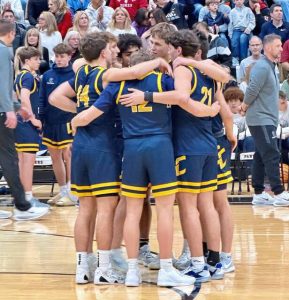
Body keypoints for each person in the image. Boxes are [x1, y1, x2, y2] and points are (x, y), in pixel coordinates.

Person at [69, 48, 221, 287]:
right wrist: (212, 110)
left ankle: (131, 272)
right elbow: (183, 97)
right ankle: (167, 269)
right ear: (152, 64)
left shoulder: (118, 85)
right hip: (160, 146)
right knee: (164, 210)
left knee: (132, 211)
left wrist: (76, 120)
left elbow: (91, 112)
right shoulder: (163, 79)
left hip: (131, 148)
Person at [49, 32, 176, 285]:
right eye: (112, 48)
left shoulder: (81, 73)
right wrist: (158, 62)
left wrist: (80, 112)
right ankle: (105, 267)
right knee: (106, 210)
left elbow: (54, 98)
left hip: (81, 146)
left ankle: (82, 267)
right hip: (102, 146)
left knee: (85, 210)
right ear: (104, 53)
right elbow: (134, 73)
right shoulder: (103, 75)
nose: (116, 51)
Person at [0, 20, 49, 221]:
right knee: (11, 159)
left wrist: (20, 109)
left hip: (8, 110)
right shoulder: (4, 51)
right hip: (2, 113)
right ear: (12, 33)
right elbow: (3, 87)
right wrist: (11, 111)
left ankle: (23, 202)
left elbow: (10, 91)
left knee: (9, 160)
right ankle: (22, 205)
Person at [240, 34, 289, 206]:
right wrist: (244, 106)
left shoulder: (271, 66)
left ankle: (259, 194)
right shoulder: (262, 66)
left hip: (267, 118)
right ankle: (278, 192)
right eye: (278, 45)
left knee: (261, 156)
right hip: (260, 119)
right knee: (272, 153)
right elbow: (252, 88)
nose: (281, 48)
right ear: (268, 48)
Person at [39, 43, 76, 206]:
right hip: (51, 121)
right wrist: (41, 119)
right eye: (57, 56)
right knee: (55, 156)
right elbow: (42, 98)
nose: (59, 59)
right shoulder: (47, 75)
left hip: (68, 120)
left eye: (62, 56)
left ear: (69, 56)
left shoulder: (75, 74)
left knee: (68, 155)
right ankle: (62, 191)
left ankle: (72, 192)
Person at [14, 46, 50, 211]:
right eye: (36, 59)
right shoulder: (27, 76)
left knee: (23, 162)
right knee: (28, 162)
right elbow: (24, 98)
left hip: (19, 123)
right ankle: (27, 198)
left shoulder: (20, 76)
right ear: (27, 61)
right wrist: (33, 119)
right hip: (26, 123)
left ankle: (23, 197)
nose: (39, 62)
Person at [228, 0, 256, 66]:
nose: (239, 1)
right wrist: (230, 34)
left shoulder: (248, 10)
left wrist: (249, 28)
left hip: (246, 30)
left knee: (243, 38)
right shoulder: (232, 11)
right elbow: (230, 24)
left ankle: (244, 59)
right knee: (234, 40)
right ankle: (235, 58)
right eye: (237, 0)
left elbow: (252, 20)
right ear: (234, 1)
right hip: (236, 30)